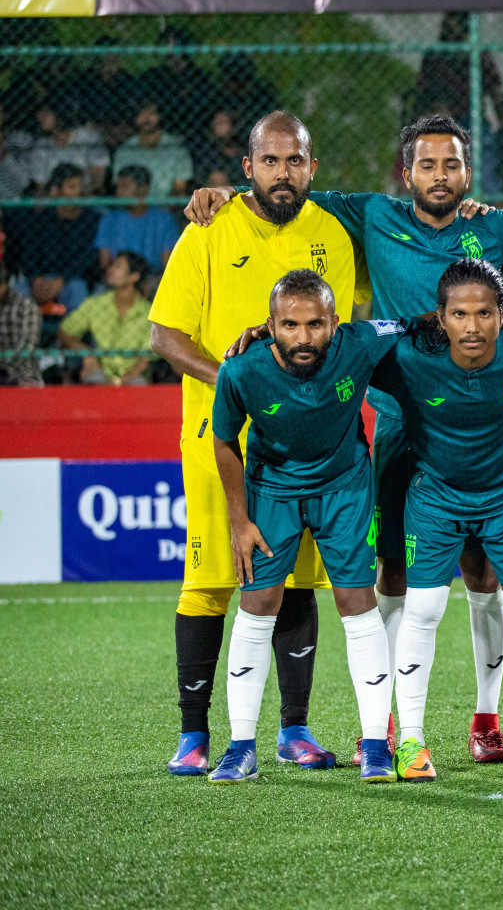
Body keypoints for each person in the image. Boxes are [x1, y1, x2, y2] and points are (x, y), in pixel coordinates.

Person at [185, 113, 503, 765]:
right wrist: (224, 197)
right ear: (407, 173)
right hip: (403, 422)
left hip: (485, 420)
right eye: (426, 164)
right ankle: (396, 721)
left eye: (451, 164)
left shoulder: (498, 229)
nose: (438, 175)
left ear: (467, 171)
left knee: (485, 573)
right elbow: (287, 189)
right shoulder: (371, 214)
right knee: (393, 570)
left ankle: (486, 719)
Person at [150, 111, 356, 777]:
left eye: (294, 161)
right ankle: (192, 735)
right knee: (211, 580)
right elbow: (165, 337)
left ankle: (294, 730)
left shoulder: (332, 234)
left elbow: (340, 337)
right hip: (222, 437)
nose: (283, 173)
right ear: (247, 168)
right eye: (270, 161)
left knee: (294, 579)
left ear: (312, 167)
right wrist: (239, 381)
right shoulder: (209, 228)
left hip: (309, 445)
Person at [368, 259, 503, 782]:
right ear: (441, 317)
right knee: (423, 607)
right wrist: (260, 334)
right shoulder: (409, 355)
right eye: (459, 314)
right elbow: (334, 341)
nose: (472, 327)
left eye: (485, 313)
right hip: (434, 500)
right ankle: (410, 741)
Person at [206, 271, 402, 784]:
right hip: (272, 493)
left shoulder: (360, 343)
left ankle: (378, 745)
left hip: (346, 488)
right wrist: (238, 520)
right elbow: (224, 440)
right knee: (257, 607)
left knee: (357, 603)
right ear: (269, 326)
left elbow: (426, 323)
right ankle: (240, 746)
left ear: (335, 323)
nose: (303, 337)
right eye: (289, 325)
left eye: (316, 324)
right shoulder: (241, 372)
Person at [59, 250, 153, 385]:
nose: (111, 269)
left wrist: (120, 381)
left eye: (118, 266)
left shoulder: (148, 312)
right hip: (99, 371)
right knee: (94, 382)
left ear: (134, 276)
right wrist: (88, 354)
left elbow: (145, 358)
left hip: (133, 376)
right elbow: (64, 332)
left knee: (138, 386)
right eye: (113, 265)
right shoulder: (96, 304)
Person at [19, 163, 100, 314]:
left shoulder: (92, 219)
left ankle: (69, 336)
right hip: (41, 278)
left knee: (77, 290)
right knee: (17, 288)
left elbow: (88, 257)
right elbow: (28, 252)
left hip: (72, 279)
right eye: (71, 187)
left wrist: (62, 280)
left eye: (80, 187)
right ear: (56, 190)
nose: (79, 192)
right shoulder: (41, 218)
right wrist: (35, 279)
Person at [413, 12, 502, 125]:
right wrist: (435, 109)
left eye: (455, 23)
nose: (450, 26)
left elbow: (495, 88)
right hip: (440, 115)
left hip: (471, 116)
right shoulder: (434, 56)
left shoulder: (480, 55)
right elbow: (422, 90)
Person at [112, 101, 193, 199]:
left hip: (166, 206)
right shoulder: (125, 150)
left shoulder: (177, 148)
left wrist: (165, 211)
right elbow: (121, 188)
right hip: (133, 207)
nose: (146, 118)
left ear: (160, 116)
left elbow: (179, 190)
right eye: (142, 113)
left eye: (152, 113)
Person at [28, 100, 108, 195]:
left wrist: (73, 194)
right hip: (54, 202)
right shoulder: (41, 146)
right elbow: (41, 188)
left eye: (45, 113)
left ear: (60, 113)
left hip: (85, 199)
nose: (39, 117)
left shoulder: (90, 138)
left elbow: (97, 182)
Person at [0, 258, 42, 387]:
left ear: (4, 285)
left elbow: (27, 346)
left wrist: (5, 366)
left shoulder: (26, 306)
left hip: (22, 373)